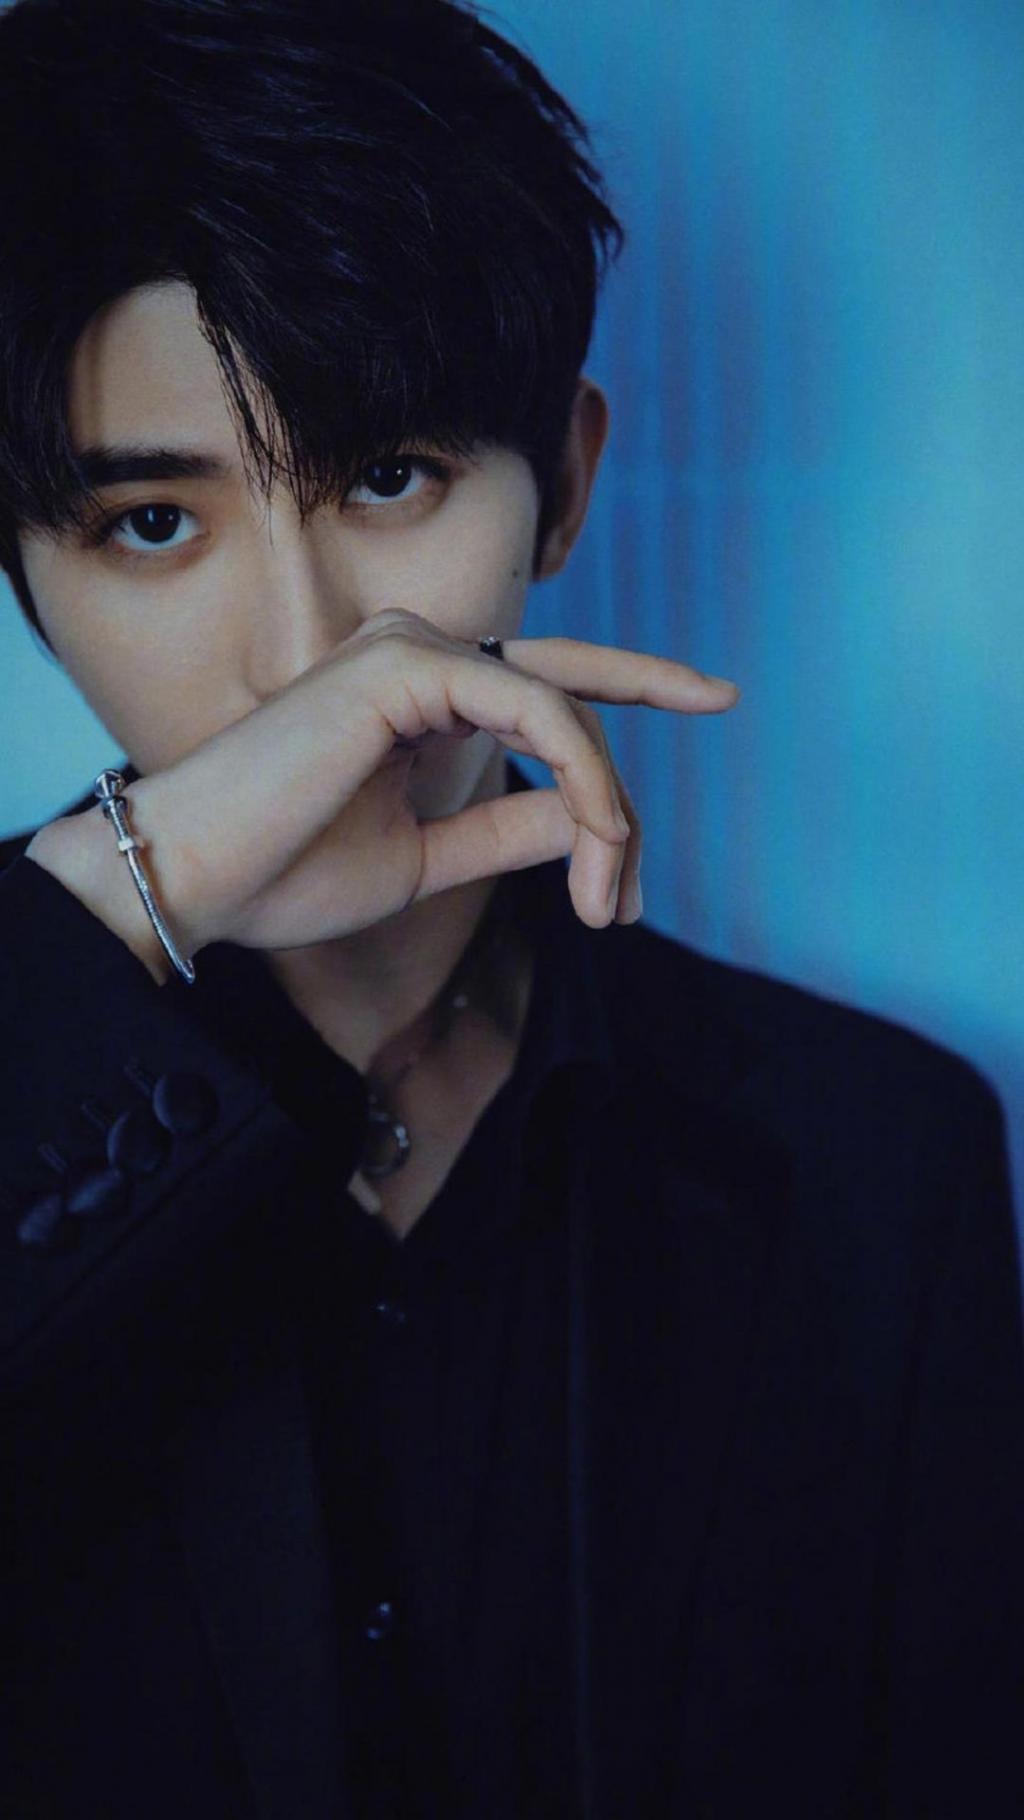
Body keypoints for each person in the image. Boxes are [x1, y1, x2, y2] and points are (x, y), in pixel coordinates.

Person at [1, 1, 1022, 1814]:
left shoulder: (888, 1170)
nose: (309, 665)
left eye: (389, 477)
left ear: (565, 484)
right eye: (154, 523)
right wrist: (111, 895)